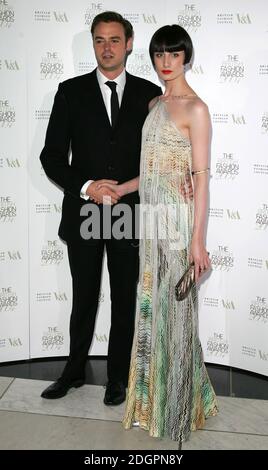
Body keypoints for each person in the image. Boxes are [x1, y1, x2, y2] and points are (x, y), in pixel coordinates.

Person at [39, 11, 162, 405]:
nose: (106, 47)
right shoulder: (70, 91)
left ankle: (118, 378)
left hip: (128, 211)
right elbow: (52, 156)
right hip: (86, 211)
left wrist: (125, 189)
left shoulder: (149, 95)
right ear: (92, 44)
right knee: (84, 296)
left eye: (114, 40)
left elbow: (156, 159)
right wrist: (88, 187)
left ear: (128, 44)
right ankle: (73, 371)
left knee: (125, 298)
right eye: (99, 40)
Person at [104, 24, 218, 442]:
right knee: (152, 312)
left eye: (174, 54)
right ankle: (153, 402)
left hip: (178, 225)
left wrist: (198, 239)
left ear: (186, 56)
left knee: (178, 316)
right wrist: (122, 187)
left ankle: (178, 408)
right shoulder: (154, 103)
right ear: (151, 57)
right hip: (150, 225)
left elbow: (201, 178)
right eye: (159, 54)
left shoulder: (196, 109)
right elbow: (152, 171)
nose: (166, 62)